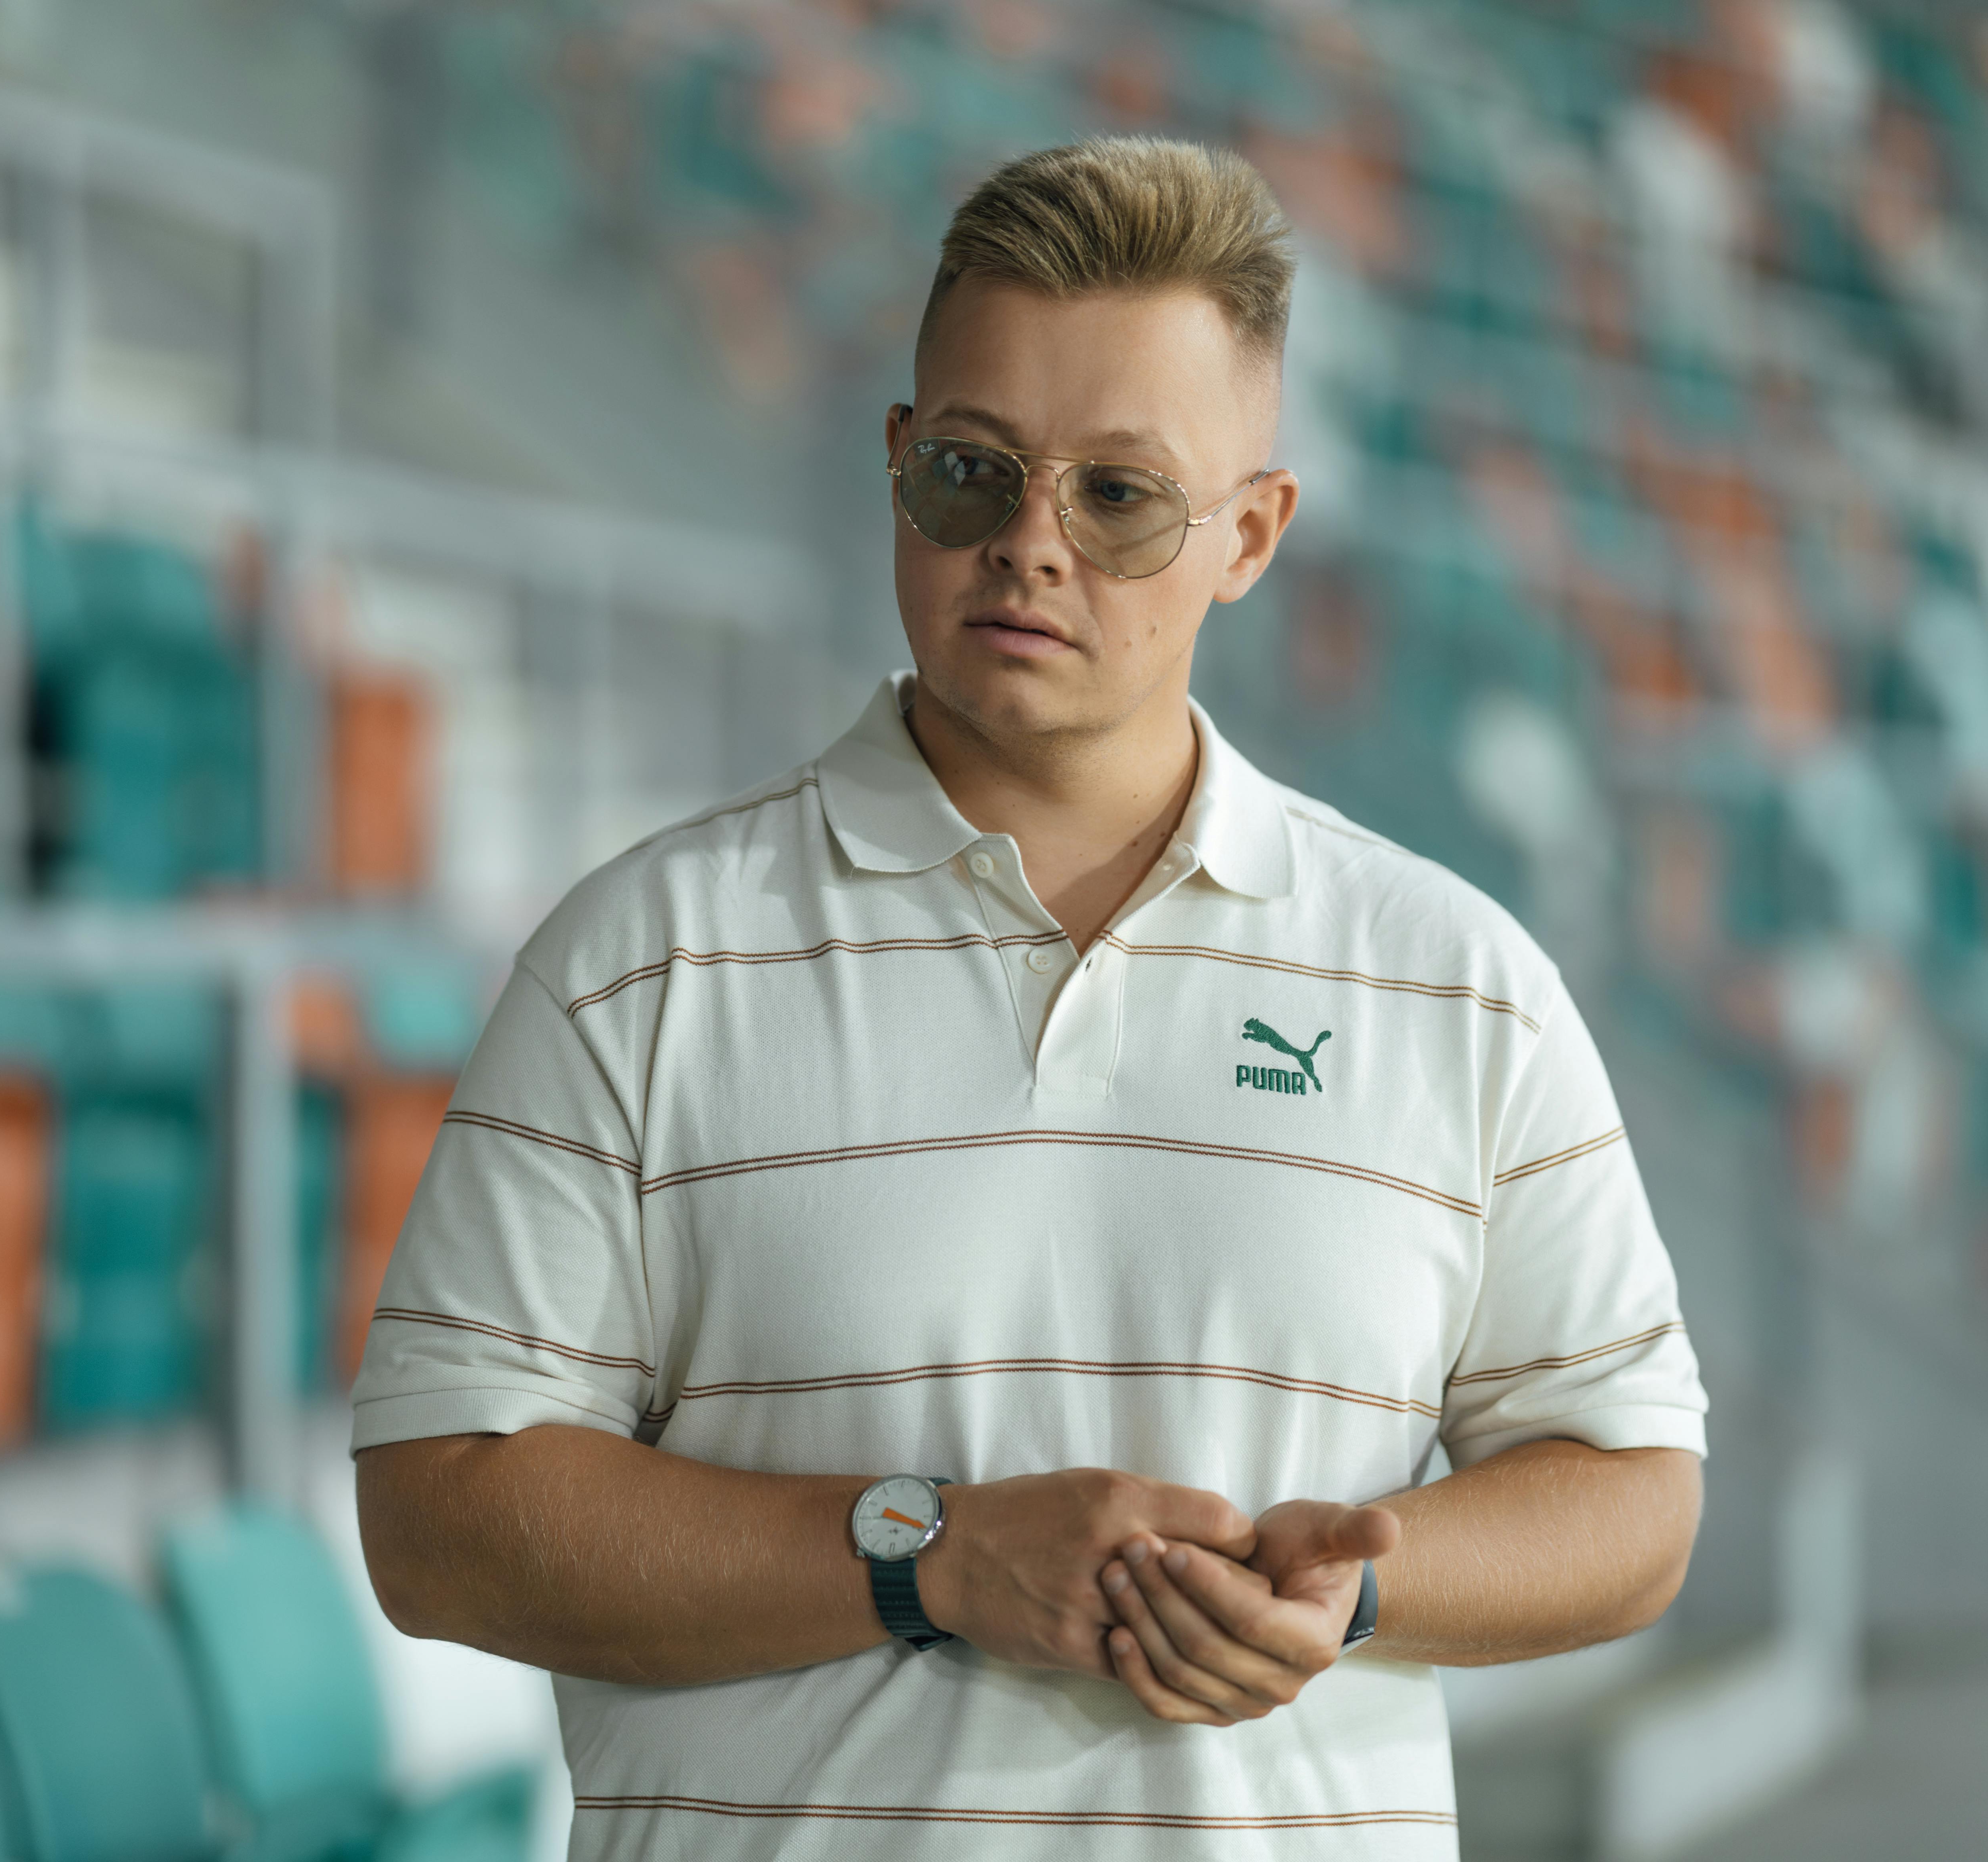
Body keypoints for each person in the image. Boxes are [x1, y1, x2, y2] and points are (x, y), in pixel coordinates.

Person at [353, 136, 1706, 1858]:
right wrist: (922, 1553)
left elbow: (1636, 1495)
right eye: (975, 473)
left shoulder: (1457, 981)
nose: (1029, 546)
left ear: (1253, 536)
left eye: (1120, 495)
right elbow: (438, 1514)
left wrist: (1360, 1584)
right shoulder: (642, 962)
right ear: (900, 465)